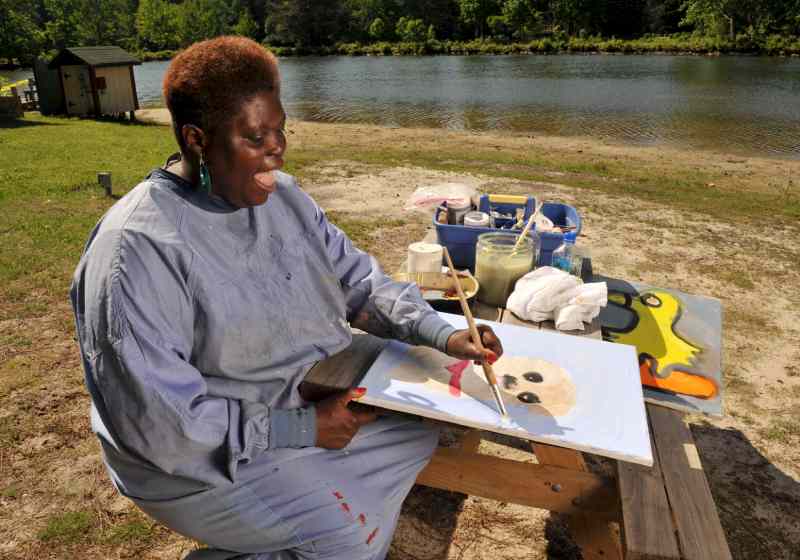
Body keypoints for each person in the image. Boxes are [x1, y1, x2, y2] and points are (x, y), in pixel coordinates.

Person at [70, 36, 503, 560]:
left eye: (280, 130)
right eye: (256, 136)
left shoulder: (284, 195)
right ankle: (308, 521)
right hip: (185, 461)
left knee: (418, 430)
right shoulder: (136, 252)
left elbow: (358, 283)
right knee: (348, 536)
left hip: (283, 396)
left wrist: (446, 332)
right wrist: (301, 429)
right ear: (197, 139)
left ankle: (284, 524)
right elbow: (164, 428)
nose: (277, 149)